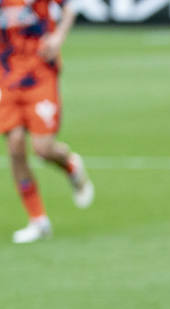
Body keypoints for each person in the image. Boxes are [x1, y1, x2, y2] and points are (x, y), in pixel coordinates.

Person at [2, 0, 94, 243]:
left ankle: (71, 166)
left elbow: (70, 6)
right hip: (6, 75)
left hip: (39, 74)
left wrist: (58, 37)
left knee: (43, 148)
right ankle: (38, 220)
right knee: (15, 147)